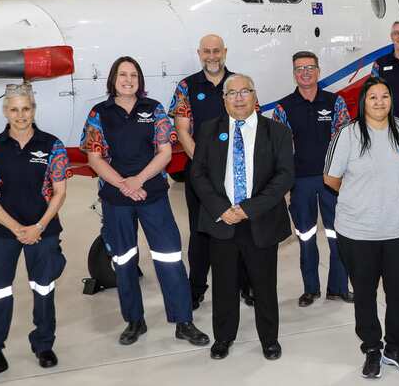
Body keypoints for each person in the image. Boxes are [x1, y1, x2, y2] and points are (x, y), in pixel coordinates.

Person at [83, 56, 209, 348]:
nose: (128, 80)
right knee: (124, 260)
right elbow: (94, 157)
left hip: (151, 195)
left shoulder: (154, 110)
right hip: (116, 198)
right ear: (113, 79)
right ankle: (134, 321)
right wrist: (123, 185)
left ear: (140, 82)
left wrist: (138, 181)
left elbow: (165, 152)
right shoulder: (98, 114)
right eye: (123, 75)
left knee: (169, 257)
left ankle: (183, 321)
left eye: (134, 75)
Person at [0, 84, 68, 385]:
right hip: (3, 231)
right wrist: (16, 229)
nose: (21, 115)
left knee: (43, 287)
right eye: (14, 109)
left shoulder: (52, 145)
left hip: (43, 229)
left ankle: (44, 344)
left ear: (33, 110)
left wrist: (37, 227)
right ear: (5, 111)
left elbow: (60, 192)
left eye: (26, 109)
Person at [189, 74, 295, 360]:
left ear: (255, 96)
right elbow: (197, 175)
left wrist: (248, 208)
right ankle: (223, 338)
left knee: (264, 285)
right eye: (231, 93)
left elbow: (284, 176)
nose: (238, 98)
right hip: (222, 221)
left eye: (244, 91)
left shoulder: (277, 132)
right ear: (223, 100)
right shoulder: (209, 130)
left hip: (260, 220)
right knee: (224, 284)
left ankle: (269, 340)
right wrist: (222, 209)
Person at [324, 77, 399, 380]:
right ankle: (371, 348)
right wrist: (363, 198)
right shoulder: (349, 135)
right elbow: (331, 179)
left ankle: (395, 346)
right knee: (364, 293)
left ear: (391, 100)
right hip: (358, 232)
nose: (379, 102)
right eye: (372, 97)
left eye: (384, 96)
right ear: (363, 102)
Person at [170, 33, 248, 308]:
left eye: (217, 51)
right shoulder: (186, 86)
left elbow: (250, 126)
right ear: (199, 53)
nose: (212, 56)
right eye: (207, 51)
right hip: (200, 176)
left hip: (237, 174)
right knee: (200, 232)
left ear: (224, 51)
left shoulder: (239, 83)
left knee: (240, 230)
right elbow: (181, 129)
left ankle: (245, 285)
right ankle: (196, 287)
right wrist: (204, 165)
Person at [271, 52, 353, 306]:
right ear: (294, 74)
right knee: (305, 236)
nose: (305, 72)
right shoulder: (283, 108)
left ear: (318, 71)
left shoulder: (335, 102)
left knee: (337, 235)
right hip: (300, 183)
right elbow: (280, 150)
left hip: (331, 181)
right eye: (299, 69)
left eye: (310, 67)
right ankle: (311, 289)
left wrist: (342, 176)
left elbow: (345, 140)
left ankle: (338, 287)